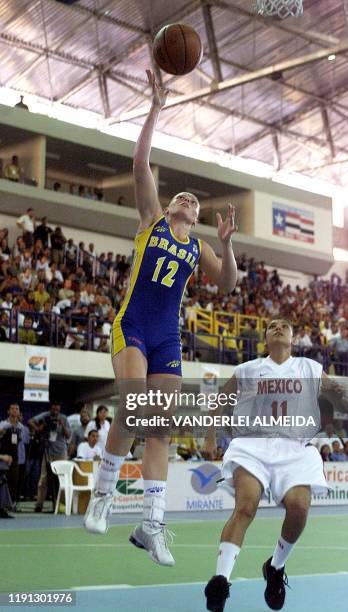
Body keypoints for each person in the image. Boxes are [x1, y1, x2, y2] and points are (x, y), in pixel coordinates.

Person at [84, 69, 237, 567]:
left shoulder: (197, 246)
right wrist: (155, 106)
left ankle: (151, 526)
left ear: (197, 217)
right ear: (170, 205)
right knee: (132, 410)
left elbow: (228, 284)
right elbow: (139, 160)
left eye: (195, 200)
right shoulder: (151, 223)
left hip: (168, 338)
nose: (189, 199)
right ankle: (104, 493)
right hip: (133, 327)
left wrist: (229, 246)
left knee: (160, 429)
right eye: (183, 196)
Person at [204, 318, 348, 612]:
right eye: (272, 326)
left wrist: (339, 396)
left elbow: (340, 400)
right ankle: (220, 581)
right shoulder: (247, 370)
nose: (279, 328)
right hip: (252, 446)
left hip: (294, 448)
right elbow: (221, 398)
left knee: (299, 507)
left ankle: (275, 567)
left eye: (285, 325)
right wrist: (209, 436)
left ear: (293, 337)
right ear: (266, 338)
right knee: (246, 506)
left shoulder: (308, 368)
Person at [28, 402, 71, 513]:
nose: (55, 411)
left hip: (61, 452)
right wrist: (38, 428)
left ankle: (62, 504)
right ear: (50, 408)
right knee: (43, 479)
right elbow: (30, 421)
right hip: (48, 451)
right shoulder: (45, 416)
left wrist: (61, 424)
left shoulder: (63, 418)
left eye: (57, 409)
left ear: (60, 409)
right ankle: (39, 504)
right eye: (53, 409)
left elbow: (68, 435)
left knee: (62, 479)